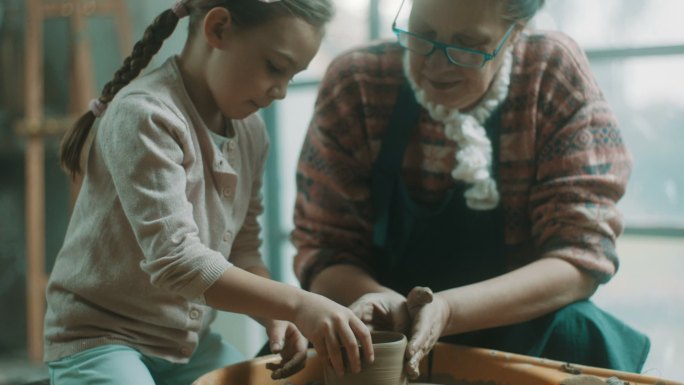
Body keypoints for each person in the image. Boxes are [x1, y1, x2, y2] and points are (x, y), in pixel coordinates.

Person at [292, 0, 650, 379]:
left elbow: (581, 257)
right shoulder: (358, 83)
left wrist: (448, 310)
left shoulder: (550, 73)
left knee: (577, 330)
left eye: (466, 45)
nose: (436, 64)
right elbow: (324, 253)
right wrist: (392, 307)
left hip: (520, 323)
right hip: (382, 324)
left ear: (515, 33)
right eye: (423, 34)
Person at [44, 1, 375, 384]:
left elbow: (244, 248)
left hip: (188, 347)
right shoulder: (145, 116)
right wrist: (298, 304)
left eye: (292, 75)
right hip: (102, 339)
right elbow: (177, 261)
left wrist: (277, 318)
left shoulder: (250, 132)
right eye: (275, 67)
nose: (281, 92)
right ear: (218, 28)